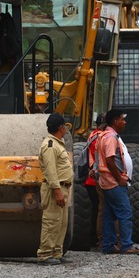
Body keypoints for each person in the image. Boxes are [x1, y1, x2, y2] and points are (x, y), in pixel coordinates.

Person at [96, 108, 139, 255]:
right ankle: (127, 245)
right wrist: (119, 178)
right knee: (125, 213)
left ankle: (108, 245)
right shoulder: (111, 137)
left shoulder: (104, 135)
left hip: (106, 182)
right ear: (115, 121)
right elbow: (110, 159)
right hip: (114, 183)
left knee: (109, 215)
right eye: (122, 120)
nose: (125, 122)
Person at [37, 113, 74, 265]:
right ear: (60, 127)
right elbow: (51, 170)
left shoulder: (58, 144)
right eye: (64, 126)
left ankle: (57, 252)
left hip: (62, 188)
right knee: (51, 221)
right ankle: (45, 254)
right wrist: (57, 190)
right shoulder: (50, 145)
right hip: (55, 189)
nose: (66, 128)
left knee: (61, 223)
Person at [83, 114, 106, 251]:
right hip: (96, 179)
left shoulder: (92, 135)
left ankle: (94, 239)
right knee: (99, 211)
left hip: (90, 179)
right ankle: (96, 239)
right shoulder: (100, 137)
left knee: (95, 210)